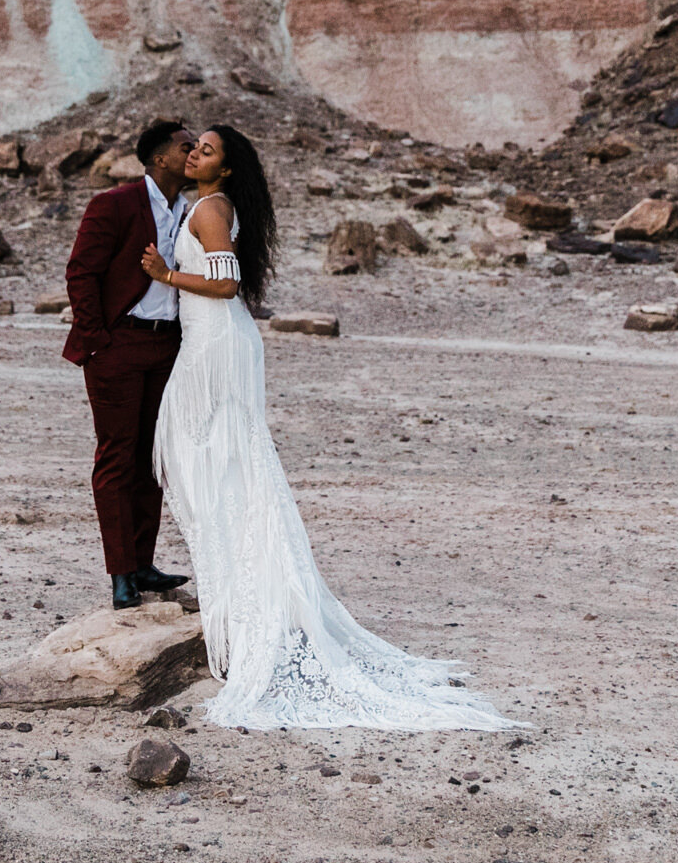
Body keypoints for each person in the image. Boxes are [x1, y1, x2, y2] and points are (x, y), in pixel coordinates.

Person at [140, 124, 517, 731]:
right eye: (193, 147)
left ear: (226, 169)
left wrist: (166, 276)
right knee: (216, 466)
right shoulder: (202, 203)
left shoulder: (211, 209)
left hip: (217, 345)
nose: (194, 155)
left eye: (206, 150)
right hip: (212, 342)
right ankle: (244, 600)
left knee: (217, 465)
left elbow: (228, 284)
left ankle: (252, 605)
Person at [62, 119, 197, 611]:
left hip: (168, 349)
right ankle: (121, 573)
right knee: (117, 458)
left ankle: (143, 562)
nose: (195, 152)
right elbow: (81, 272)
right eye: (187, 147)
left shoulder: (195, 209)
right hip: (118, 346)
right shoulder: (113, 204)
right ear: (160, 158)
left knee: (152, 458)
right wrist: (98, 341)